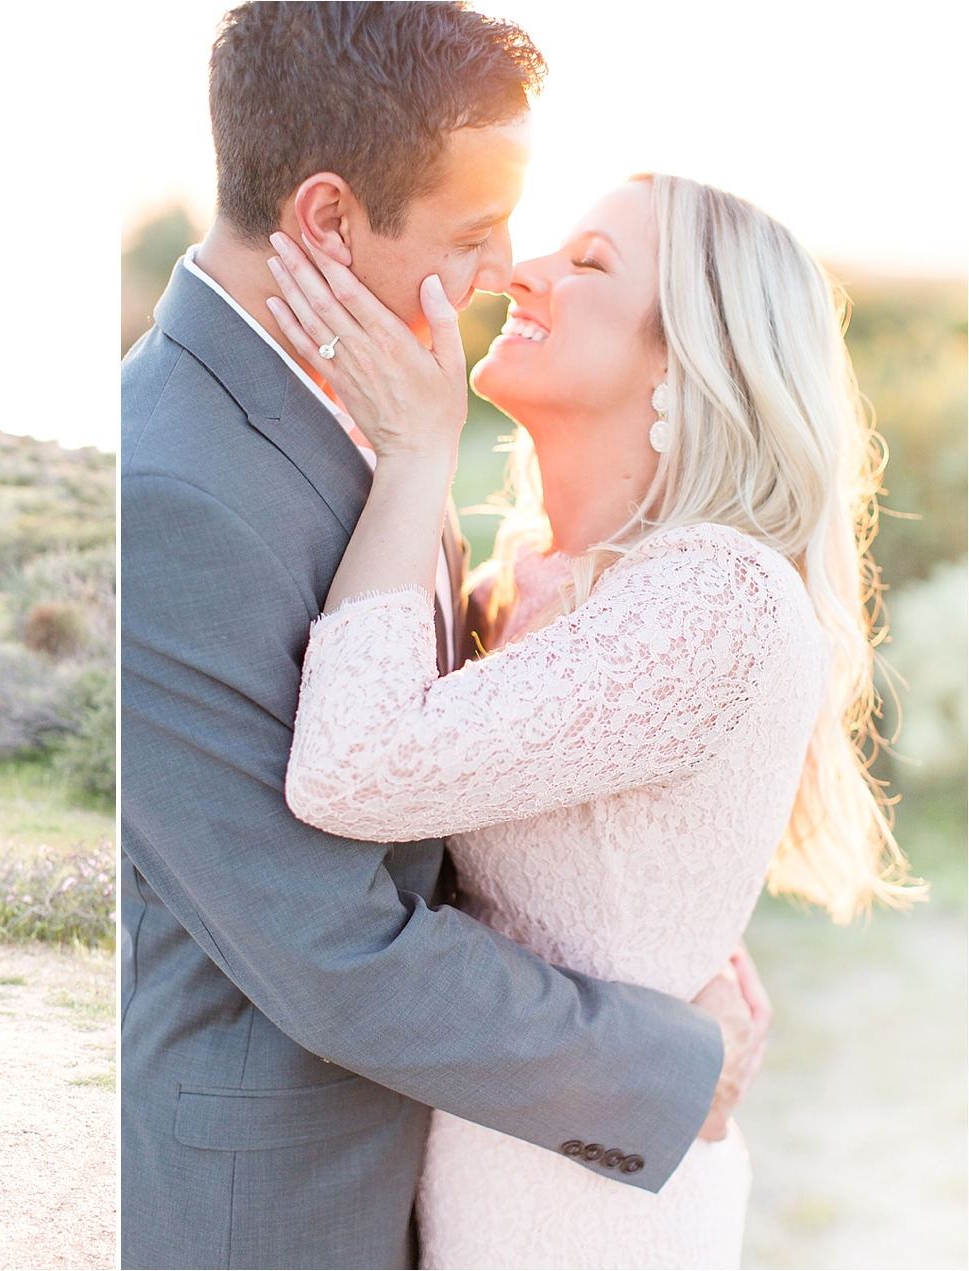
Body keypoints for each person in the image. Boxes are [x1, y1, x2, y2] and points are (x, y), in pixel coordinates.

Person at [120, 6, 770, 1267]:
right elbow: (328, 949)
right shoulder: (174, 492)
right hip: (276, 1206)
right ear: (324, 218)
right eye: (471, 234)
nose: (499, 270)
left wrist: (664, 929)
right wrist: (663, 1055)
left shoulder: (362, 395)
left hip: (446, 1165)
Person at [275, 172, 922, 1266]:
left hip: (587, 1217)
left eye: (588, 264)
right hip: (498, 1169)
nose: (521, 269)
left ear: (685, 358)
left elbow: (345, 771)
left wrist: (418, 451)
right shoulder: (543, 585)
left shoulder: (712, 595)